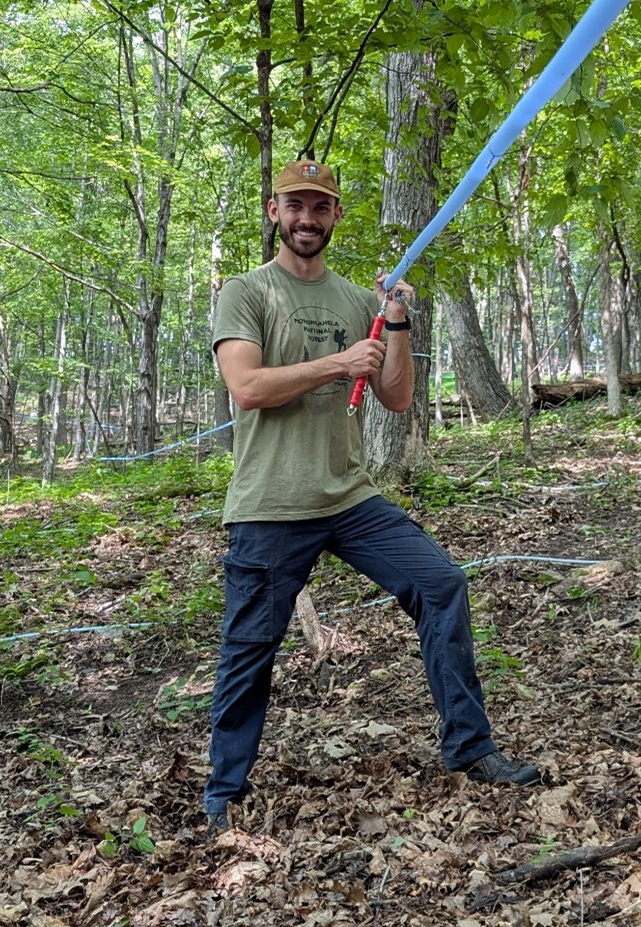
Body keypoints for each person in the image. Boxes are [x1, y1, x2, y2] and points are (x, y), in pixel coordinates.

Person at [205, 160, 539, 834]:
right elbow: (246, 387)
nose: (307, 219)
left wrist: (396, 321)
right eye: (295, 206)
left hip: (350, 497)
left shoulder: (359, 299)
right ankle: (224, 794)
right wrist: (338, 361)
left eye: (319, 207)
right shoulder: (246, 291)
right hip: (271, 503)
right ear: (274, 211)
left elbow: (396, 396)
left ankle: (470, 748)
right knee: (251, 646)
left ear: (335, 216)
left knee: (440, 583)